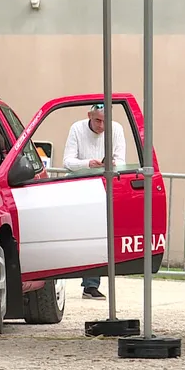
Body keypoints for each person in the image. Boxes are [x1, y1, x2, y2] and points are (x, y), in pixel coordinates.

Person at [62, 104, 126, 300]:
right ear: (89, 116)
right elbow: (68, 161)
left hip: (103, 186)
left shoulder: (116, 129)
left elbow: (121, 160)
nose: (102, 125)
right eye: (98, 120)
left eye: (105, 121)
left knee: (99, 233)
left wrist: (112, 164)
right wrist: (88, 163)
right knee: (78, 233)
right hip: (80, 186)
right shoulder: (77, 128)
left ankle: (91, 284)